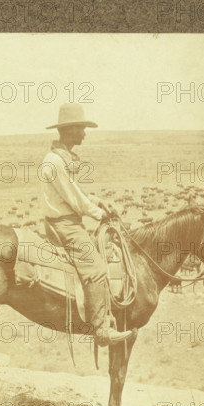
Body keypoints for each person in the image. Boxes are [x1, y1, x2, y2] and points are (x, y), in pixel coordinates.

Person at [39, 103, 134, 346]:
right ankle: (102, 330)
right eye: (81, 128)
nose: (84, 133)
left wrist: (99, 202)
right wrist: (98, 214)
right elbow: (76, 202)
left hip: (67, 220)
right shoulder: (55, 162)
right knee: (97, 267)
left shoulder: (60, 158)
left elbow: (75, 194)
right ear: (70, 130)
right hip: (65, 225)